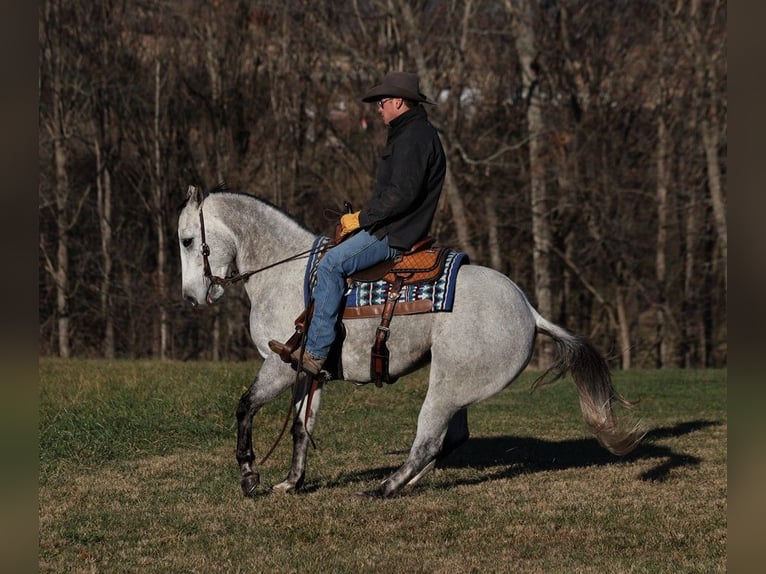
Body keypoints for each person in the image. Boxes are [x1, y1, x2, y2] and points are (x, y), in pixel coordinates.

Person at [270, 71, 447, 376]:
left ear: (399, 102)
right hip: (392, 227)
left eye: (382, 102)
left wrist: (358, 220)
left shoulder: (414, 138)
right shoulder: (414, 133)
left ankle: (315, 352)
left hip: (394, 234)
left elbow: (399, 196)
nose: (379, 108)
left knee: (330, 264)